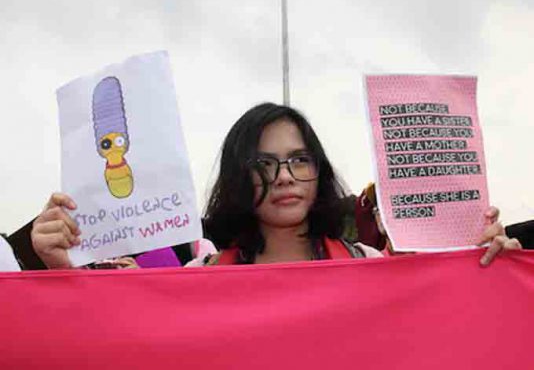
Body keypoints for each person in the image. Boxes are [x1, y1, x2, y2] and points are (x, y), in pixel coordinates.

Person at [31, 103, 520, 268]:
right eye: (263, 164)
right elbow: (123, 335)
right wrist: (58, 267)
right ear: (238, 178)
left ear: (319, 171)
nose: (284, 177)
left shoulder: (368, 266)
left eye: (299, 160)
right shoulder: (202, 275)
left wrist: (489, 266)